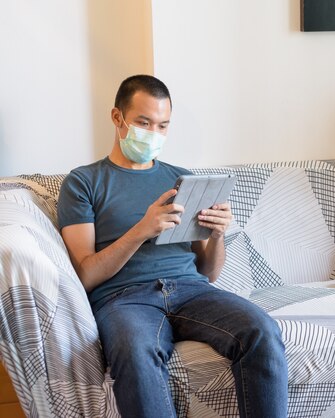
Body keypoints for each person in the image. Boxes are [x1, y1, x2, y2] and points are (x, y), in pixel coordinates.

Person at [57, 74, 288, 418]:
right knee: (136, 352)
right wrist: (141, 230)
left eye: (163, 125)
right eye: (143, 122)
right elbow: (85, 276)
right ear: (117, 118)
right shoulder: (84, 182)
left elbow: (208, 273)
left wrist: (218, 234)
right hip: (124, 299)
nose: (153, 133)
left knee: (262, 331)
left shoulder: (182, 179)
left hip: (192, 291)